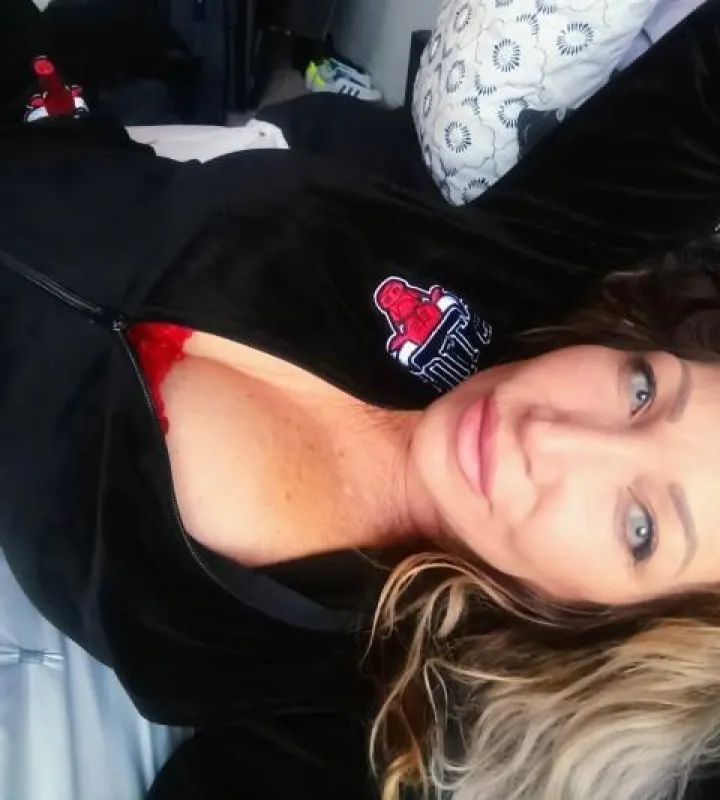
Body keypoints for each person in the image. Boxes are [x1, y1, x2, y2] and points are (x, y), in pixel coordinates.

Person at [3, 110, 720, 800]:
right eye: (642, 390)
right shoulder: (512, 282)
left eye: (640, 527)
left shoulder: (355, 706)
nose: (549, 436)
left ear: (620, 627)